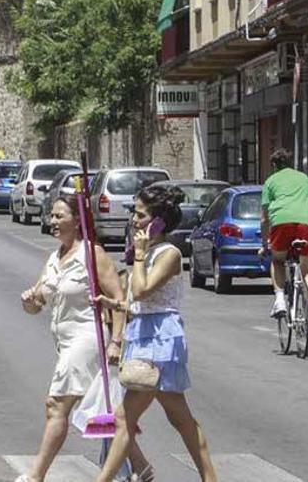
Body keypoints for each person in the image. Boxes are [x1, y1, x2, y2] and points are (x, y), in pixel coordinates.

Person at [18, 196, 152, 482]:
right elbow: (38, 302)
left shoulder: (92, 254)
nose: (52, 222)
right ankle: (141, 467)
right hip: (64, 340)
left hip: (88, 338)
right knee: (103, 409)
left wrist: (116, 340)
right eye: (51, 216)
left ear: (77, 221)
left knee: (56, 405)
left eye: (58, 216)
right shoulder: (55, 258)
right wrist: (29, 300)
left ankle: (35, 476)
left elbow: (118, 298)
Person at [93, 186, 217, 482]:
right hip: (143, 332)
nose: (134, 220)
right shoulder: (148, 253)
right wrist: (115, 303)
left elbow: (145, 288)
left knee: (126, 418)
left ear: (158, 221)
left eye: (140, 214)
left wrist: (137, 254)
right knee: (181, 419)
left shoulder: (169, 253)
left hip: (160, 338)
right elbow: (140, 300)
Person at [259, 148, 308, 339]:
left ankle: (279, 301)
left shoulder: (270, 182)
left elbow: (264, 219)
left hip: (282, 222)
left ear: (274, 166)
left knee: (277, 261)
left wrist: (265, 245)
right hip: (306, 223)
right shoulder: (304, 179)